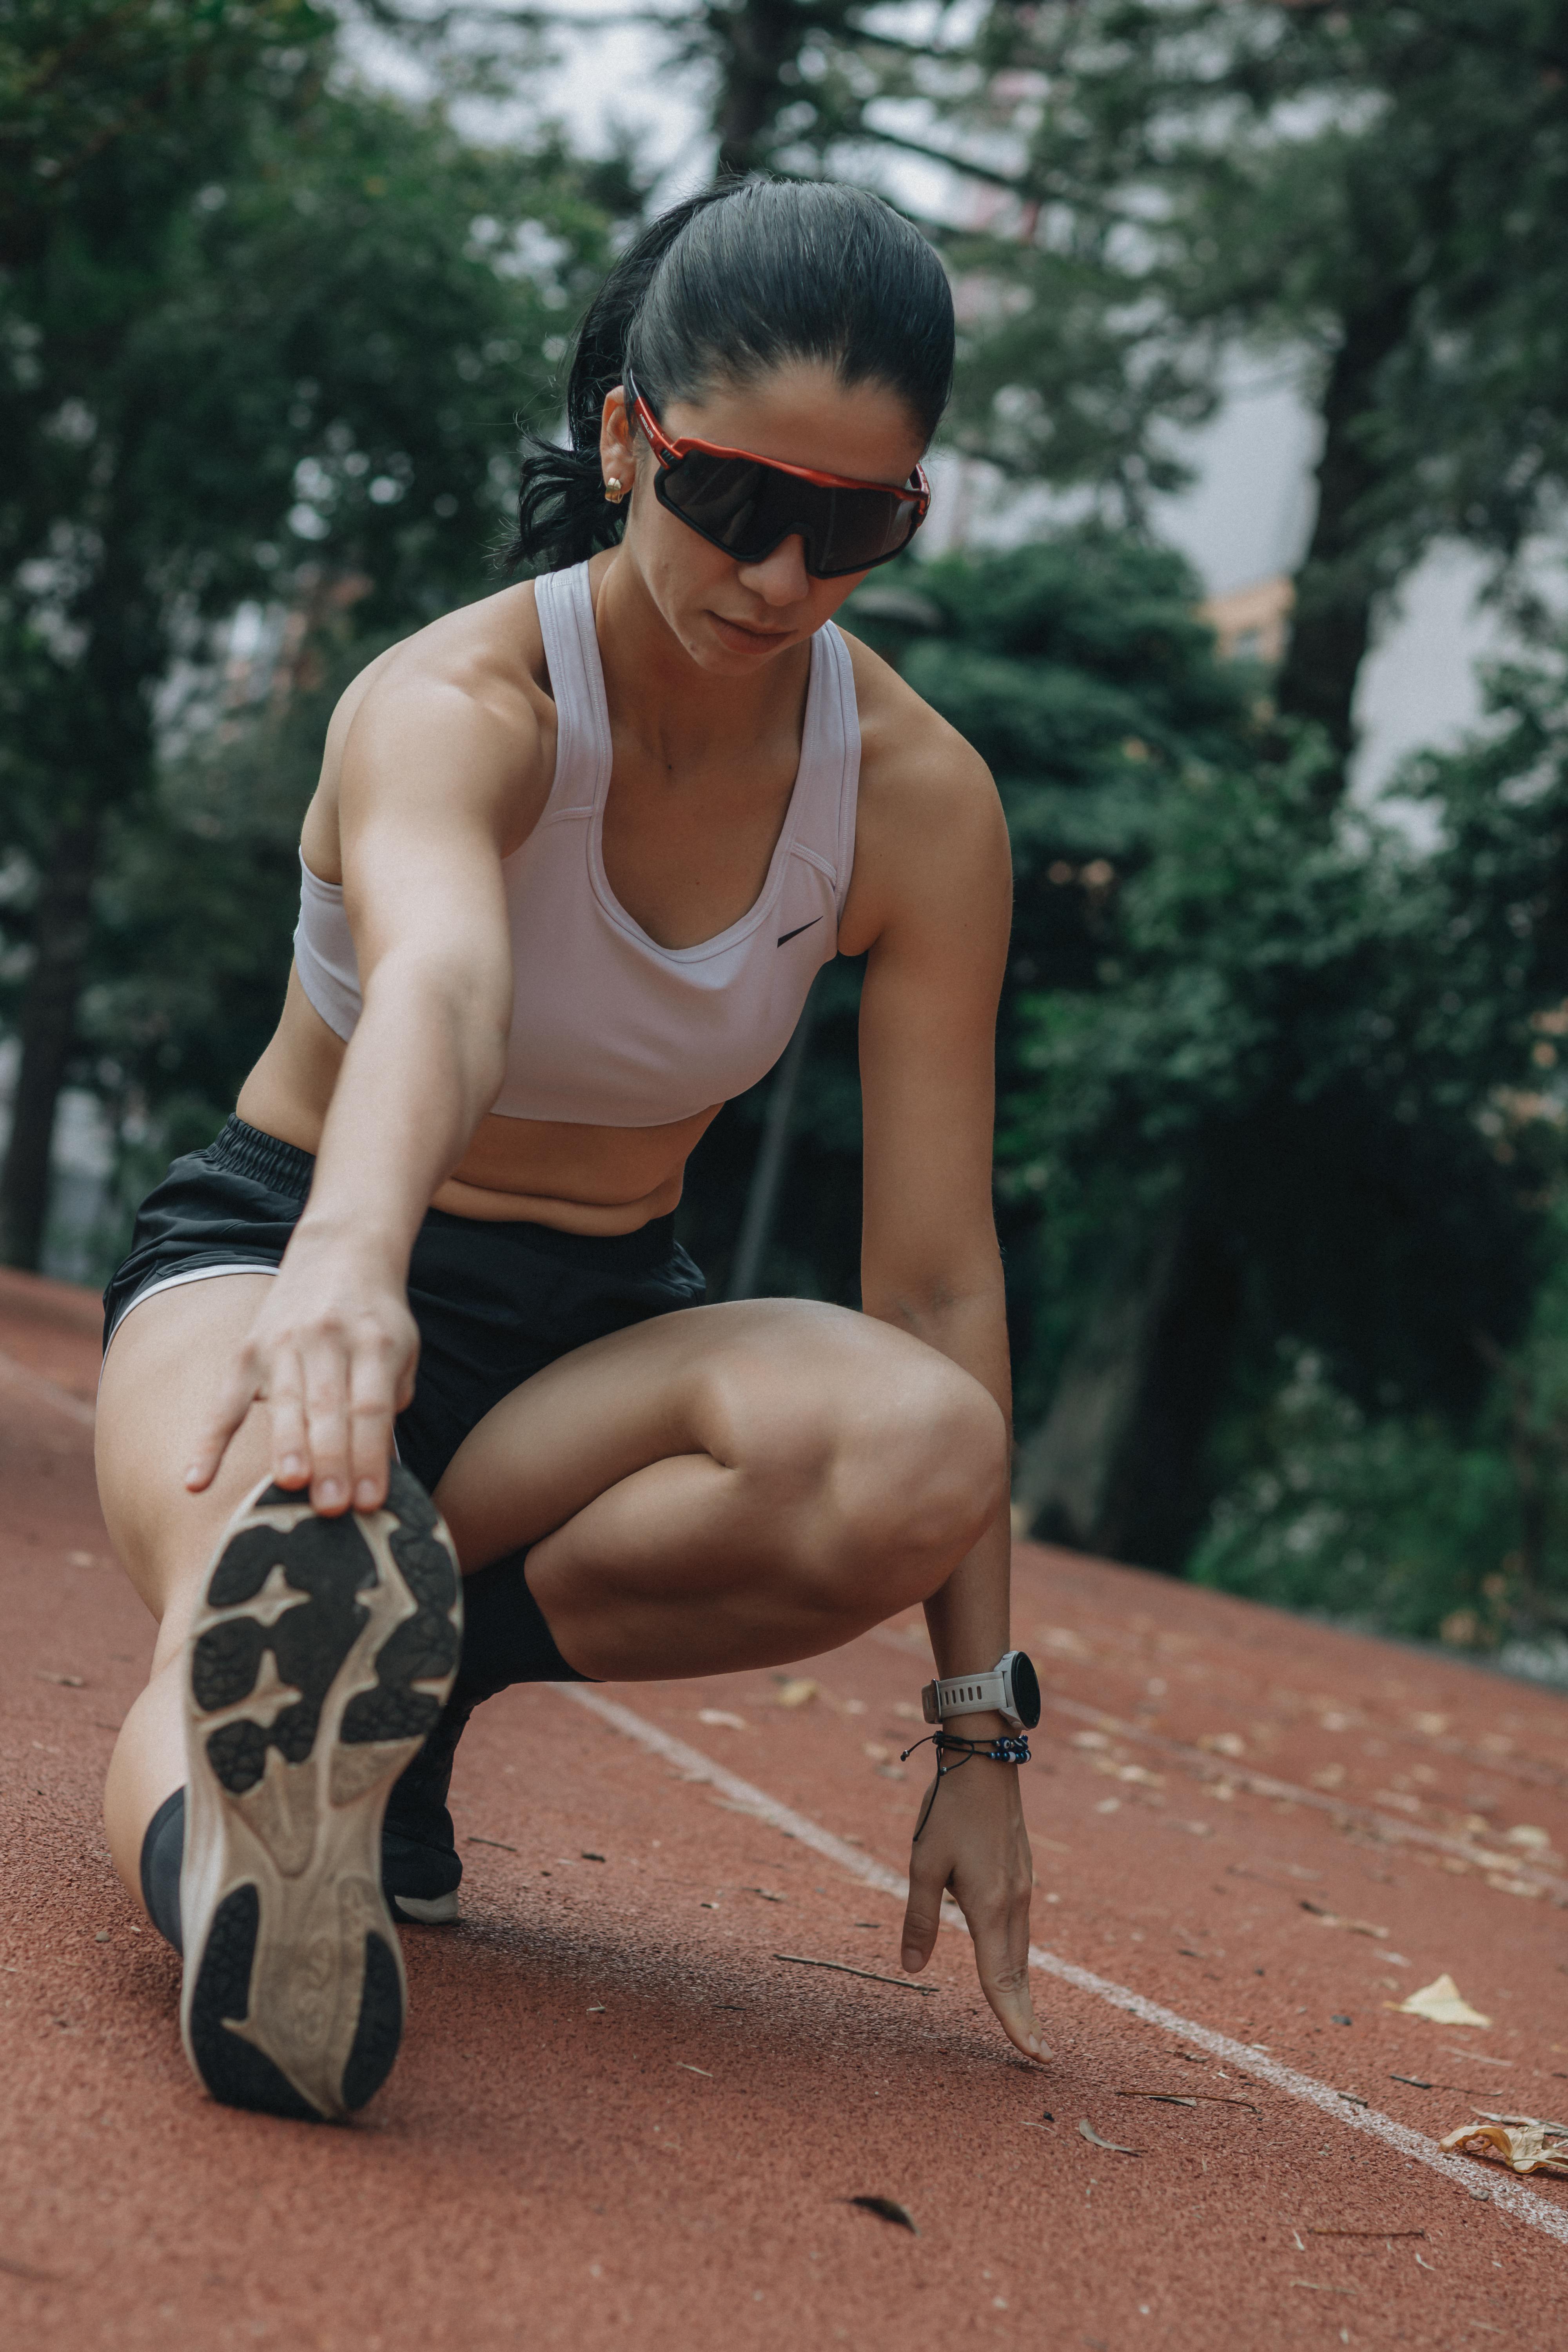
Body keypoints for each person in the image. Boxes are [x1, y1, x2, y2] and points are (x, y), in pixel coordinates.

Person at [94, 177, 1044, 2124]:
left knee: (927, 1442)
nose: (782, 575)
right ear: (625, 436)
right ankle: (254, 1904)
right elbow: (441, 986)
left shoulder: (922, 801)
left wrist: (977, 1730)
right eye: (733, 499)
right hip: (288, 1249)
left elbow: (936, 1275)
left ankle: (400, 1683)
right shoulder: (461, 702)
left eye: (853, 524)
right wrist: (348, 1280)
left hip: (601, 1339)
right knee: (260, 1568)